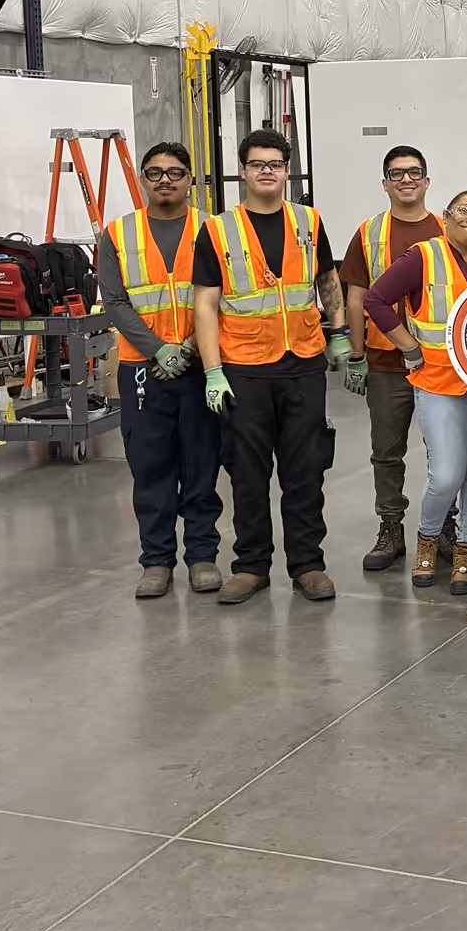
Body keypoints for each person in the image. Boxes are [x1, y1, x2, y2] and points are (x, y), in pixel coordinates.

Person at [192, 128, 351, 604]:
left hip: (302, 361)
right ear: (242, 171)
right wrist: (212, 370)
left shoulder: (308, 221)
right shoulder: (218, 230)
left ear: (286, 171)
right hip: (243, 367)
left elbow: (327, 279)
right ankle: (251, 567)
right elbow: (204, 305)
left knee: (305, 470)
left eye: (275, 163)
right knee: (247, 471)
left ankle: (308, 565)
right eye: (257, 163)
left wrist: (339, 333)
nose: (267, 170)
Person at [99, 142, 223, 599]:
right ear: (143, 180)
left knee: (201, 463)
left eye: (175, 172)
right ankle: (156, 561)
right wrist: (156, 350)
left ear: (191, 178)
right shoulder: (117, 234)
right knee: (150, 466)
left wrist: (189, 347)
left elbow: (224, 295)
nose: (165, 180)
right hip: (142, 369)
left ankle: (203, 556)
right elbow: (114, 302)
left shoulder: (214, 229)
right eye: (154, 173)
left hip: (200, 364)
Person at [365, 189, 467, 597]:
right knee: (446, 476)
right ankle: (426, 540)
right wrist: (408, 346)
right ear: (446, 215)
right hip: (438, 382)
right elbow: (376, 299)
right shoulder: (423, 256)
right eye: (465, 211)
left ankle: (464, 552)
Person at [339, 145, 443, 581]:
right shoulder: (369, 232)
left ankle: (447, 529)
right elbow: (356, 296)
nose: (406, 180)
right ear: (385, 183)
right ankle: (391, 529)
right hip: (385, 362)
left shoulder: (446, 228)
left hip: (442, 363)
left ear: (426, 180)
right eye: (396, 173)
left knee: (447, 451)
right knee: (387, 451)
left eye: (414, 172)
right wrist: (356, 355)